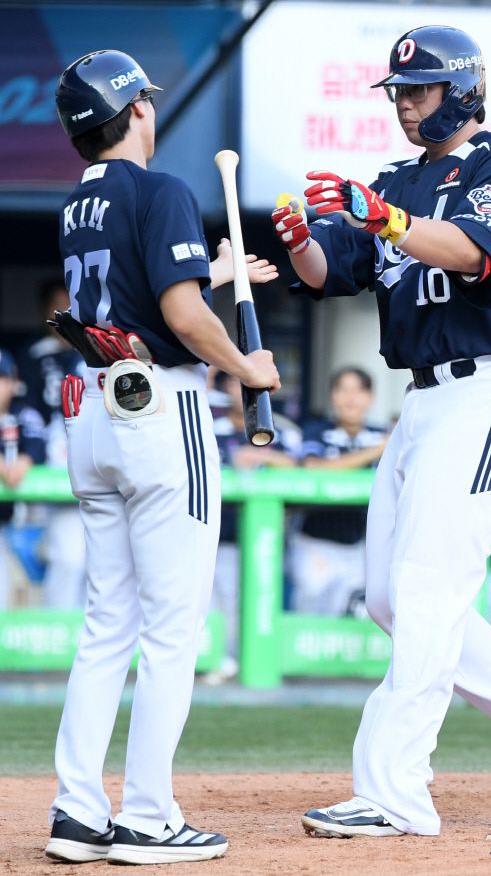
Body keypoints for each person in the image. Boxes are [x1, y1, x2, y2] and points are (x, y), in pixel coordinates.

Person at [271, 25, 491, 839]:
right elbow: (334, 273)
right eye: (398, 92)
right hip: (420, 399)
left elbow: (468, 252)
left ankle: (395, 789)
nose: (405, 104)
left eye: (417, 90)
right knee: (393, 595)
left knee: (425, 587)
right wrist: (303, 243)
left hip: (489, 385)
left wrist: (383, 217)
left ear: (460, 89)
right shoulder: (395, 178)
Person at [45, 49, 280, 865]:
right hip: (161, 410)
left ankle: (77, 811)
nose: (152, 107)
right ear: (135, 110)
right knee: (172, 630)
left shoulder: (76, 202)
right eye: (145, 98)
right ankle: (148, 818)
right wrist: (248, 368)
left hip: (95, 410)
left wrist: (206, 272)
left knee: (107, 622)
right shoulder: (162, 189)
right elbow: (180, 317)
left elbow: (135, 298)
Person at [206, 372, 299, 683]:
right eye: (234, 382)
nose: (242, 389)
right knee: (211, 604)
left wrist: (264, 455)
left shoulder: (280, 430)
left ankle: (239, 663)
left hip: (264, 539)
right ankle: (216, 662)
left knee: (249, 607)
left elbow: (302, 466)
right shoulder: (209, 424)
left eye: (249, 383)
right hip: (213, 533)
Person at [289, 367, 387, 615]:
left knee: (354, 617)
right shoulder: (316, 430)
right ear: (332, 396)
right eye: (343, 390)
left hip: (362, 546)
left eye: (358, 390)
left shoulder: (380, 433)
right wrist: (375, 451)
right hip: (314, 542)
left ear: (370, 398)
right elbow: (314, 467)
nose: (350, 398)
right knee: (309, 615)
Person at [18, 280, 88, 608]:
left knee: (102, 565)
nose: (64, 315)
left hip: (100, 467)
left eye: (71, 307)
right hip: (55, 470)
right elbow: (26, 416)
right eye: (57, 307)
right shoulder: (31, 358)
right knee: (69, 558)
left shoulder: (99, 351)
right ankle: (58, 650)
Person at [0, 349, 46, 609]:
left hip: (30, 522)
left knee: (34, 598)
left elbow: (37, 445)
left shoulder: (24, 414)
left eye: (1, 378)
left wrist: (24, 460)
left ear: (13, 382)